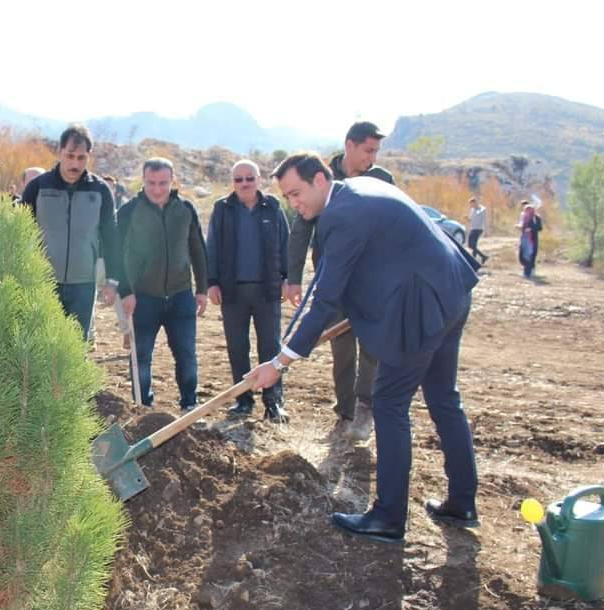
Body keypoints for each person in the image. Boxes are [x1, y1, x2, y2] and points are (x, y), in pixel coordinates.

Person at [249, 153, 480, 544]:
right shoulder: (362, 190)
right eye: (287, 197)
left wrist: (280, 362)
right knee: (443, 398)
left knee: (389, 403)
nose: (294, 204)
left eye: (296, 193)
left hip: (421, 307)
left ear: (321, 179)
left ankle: (388, 517)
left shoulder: (342, 215)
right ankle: (462, 501)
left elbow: (323, 299)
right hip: (451, 292)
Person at [285, 121, 395, 441]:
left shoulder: (382, 180)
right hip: (334, 279)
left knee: (373, 347)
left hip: (372, 281)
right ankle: (346, 412)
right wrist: (293, 277)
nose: (372, 157)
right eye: (368, 150)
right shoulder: (323, 178)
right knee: (342, 349)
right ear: (350, 145)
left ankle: (365, 407)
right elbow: (301, 229)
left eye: (376, 151)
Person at [116, 158, 207, 410]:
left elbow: (198, 249)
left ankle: (189, 403)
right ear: (143, 180)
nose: (157, 189)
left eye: (163, 183)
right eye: (151, 183)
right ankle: (142, 407)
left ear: (172, 180)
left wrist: (201, 289)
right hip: (142, 297)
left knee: (186, 354)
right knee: (141, 356)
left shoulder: (185, 209)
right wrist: (125, 291)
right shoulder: (128, 211)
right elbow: (115, 253)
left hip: (180, 296)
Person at [206, 160, 289, 422]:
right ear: (232, 183)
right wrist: (211, 282)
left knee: (271, 348)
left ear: (259, 179)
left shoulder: (273, 206)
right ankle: (243, 401)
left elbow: (286, 243)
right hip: (232, 292)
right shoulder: (222, 208)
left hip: (267, 291)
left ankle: (273, 402)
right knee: (237, 348)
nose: (244, 184)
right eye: (239, 179)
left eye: (249, 178)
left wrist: (287, 278)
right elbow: (213, 247)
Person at [20, 124, 121, 340]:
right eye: (70, 156)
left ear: (89, 156)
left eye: (81, 158)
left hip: (83, 285)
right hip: (43, 283)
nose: (75, 163)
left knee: (76, 348)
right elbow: (17, 234)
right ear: (60, 152)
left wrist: (112, 280)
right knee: (42, 345)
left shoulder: (100, 190)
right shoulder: (38, 187)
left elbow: (111, 237)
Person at [517, 201, 543, 278]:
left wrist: (531, 229)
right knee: (521, 256)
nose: (527, 212)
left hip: (532, 240)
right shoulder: (524, 217)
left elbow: (539, 227)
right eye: (526, 210)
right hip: (524, 238)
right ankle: (529, 270)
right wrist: (519, 227)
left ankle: (527, 273)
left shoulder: (536, 218)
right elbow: (522, 226)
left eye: (528, 210)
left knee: (529, 256)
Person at [467, 197, 489, 264]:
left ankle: (477, 258)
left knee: (472, 245)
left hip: (479, 229)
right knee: (471, 245)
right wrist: (467, 219)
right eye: (471, 205)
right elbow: (471, 219)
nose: (471, 206)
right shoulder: (472, 210)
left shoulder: (482, 209)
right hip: (472, 228)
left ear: (475, 202)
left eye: (472, 204)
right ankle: (482, 257)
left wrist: (486, 231)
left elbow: (485, 220)